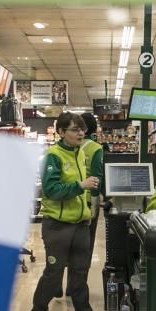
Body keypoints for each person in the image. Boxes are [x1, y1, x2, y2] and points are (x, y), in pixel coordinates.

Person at [28, 112, 112, 311]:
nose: (81, 133)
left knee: (80, 273)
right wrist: (80, 185)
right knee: (54, 273)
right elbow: (52, 190)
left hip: (80, 224)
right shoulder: (53, 156)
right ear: (62, 132)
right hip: (58, 225)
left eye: (82, 129)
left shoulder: (80, 154)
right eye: (75, 129)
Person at [60, 112, 104, 297]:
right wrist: (95, 204)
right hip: (85, 204)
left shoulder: (64, 147)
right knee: (83, 250)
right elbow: (96, 178)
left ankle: (56, 285)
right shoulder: (95, 148)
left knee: (64, 248)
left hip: (66, 201)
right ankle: (75, 288)